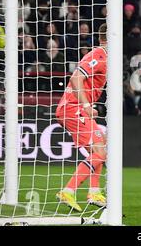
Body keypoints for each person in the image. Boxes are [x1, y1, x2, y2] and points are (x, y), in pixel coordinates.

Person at [55, 24, 108, 212]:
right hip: (74, 108)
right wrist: (86, 105)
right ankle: (68, 191)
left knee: (101, 149)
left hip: (74, 108)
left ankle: (94, 192)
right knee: (100, 152)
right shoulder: (99, 55)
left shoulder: (105, 56)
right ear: (109, 38)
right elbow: (76, 77)